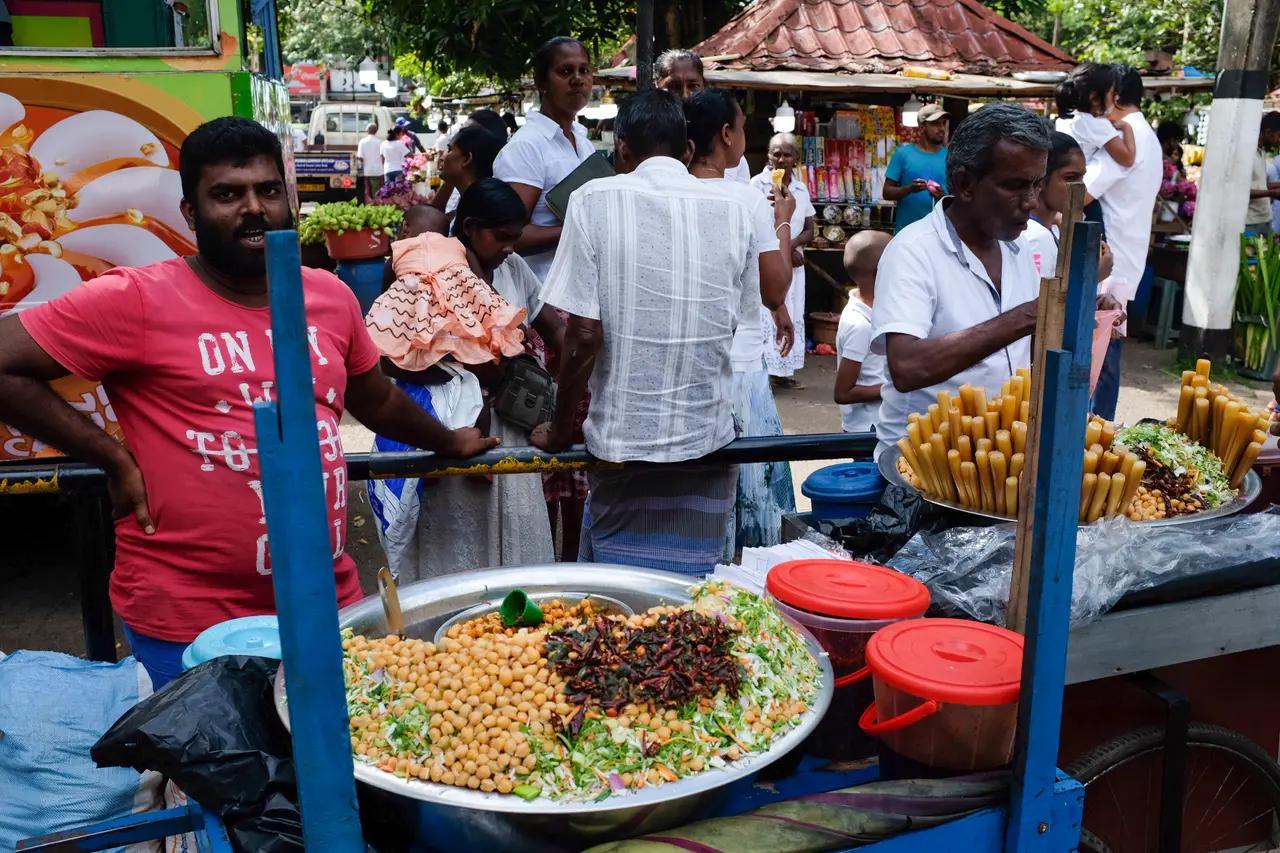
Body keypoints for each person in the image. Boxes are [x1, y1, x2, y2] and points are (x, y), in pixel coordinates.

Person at [0, 117, 495, 688]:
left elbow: (375, 398)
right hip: (186, 615)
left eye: (267, 190)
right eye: (227, 194)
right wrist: (110, 455)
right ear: (190, 213)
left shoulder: (329, 297)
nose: (253, 208)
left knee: (331, 764)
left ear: (289, 199)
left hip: (324, 601)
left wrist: (449, 440)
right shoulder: (134, 299)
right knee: (210, 773)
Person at [530, 89, 761, 576]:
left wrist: (560, 429)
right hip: (707, 438)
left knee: (623, 603)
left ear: (622, 151)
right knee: (693, 600)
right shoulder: (736, 208)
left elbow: (585, 334)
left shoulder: (593, 198)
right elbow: (738, 322)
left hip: (623, 444)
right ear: (687, 151)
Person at [366, 179, 560, 580]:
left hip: (510, 432)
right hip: (449, 431)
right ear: (469, 226)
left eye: (515, 236)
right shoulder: (424, 273)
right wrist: (469, 372)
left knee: (516, 552)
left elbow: (556, 331)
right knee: (457, 553)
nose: (509, 247)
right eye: (502, 237)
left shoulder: (514, 268)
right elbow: (387, 356)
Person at [870, 103, 1048, 457]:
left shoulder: (1022, 248)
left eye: (1037, 184)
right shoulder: (914, 251)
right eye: (1014, 186)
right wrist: (1026, 317)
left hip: (999, 463)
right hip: (922, 468)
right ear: (966, 183)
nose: (1030, 201)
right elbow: (906, 366)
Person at [684, 88, 797, 552]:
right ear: (726, 135)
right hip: (740, 362)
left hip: (689, 364)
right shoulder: (745, 201)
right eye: (744, 129)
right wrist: (783, 221)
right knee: (750, 497)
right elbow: (774, 287)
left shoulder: (672, 195)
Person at [1085, 66, 1162, 420]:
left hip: (1108, 261)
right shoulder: (1148, 136)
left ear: (1113, 96)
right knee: (1105, 348)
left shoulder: (1124, 143)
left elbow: (1082, 193)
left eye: (1097, 97)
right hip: (1123, 256)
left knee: (1100, 353)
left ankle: (1094, 435)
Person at [493, 36, 595, 281]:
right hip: (542, 293)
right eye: (565, 71)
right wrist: (579, 229)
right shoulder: (527, 146)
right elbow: (509, 235)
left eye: (584, 70)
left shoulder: (583, 141)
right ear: (542, 83)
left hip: (582, 287)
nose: (577, 79)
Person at [751, 133, 815, 390]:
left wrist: (793, 245)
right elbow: (755, 226)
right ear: (768, 157)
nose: (780, 159)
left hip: (794, 267)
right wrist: (786, 248)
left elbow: (810, 228)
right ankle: (766, 371)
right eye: (775, 153)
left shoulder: (800, 189)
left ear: (795, 159)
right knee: (768, 315)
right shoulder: (757, 185)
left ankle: (784, 371)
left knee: (793, 312)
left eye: (786, 154)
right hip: (767, 263)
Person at [656, 48, 752, 182]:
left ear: (704, 87)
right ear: (657, 89)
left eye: (693, 86)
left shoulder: (730, 155)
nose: (685, 95)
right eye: (674, 87)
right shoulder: (649, 145)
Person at [835, 231, 891, 434]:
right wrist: (893, 388)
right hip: (867, 430)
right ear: (880, 272)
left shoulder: (872, 310)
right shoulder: (861, 325)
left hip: (879, 423)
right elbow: (843, 392)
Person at [883, 104, 950, 233]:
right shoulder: (903, 154)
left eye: (943, 123)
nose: (942, 128)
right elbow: (887, 192)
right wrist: (909, 189)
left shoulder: (950, 156)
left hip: (940, 233)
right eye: (936, 124)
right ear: (923, 127)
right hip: (906, 233)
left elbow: (959, 197)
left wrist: (943, 197)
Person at [1056, 64, 1136, 170]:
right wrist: (1127, 128)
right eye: (1112, 93)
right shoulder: (1096, 123)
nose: (1116, 97)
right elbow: (1127, 159)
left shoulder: (1070, 118)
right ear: (1095, 98)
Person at [427, 125, 504, 220]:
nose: (442, 157)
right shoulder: (467, 205)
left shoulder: (477, 214)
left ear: (467, 159)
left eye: (450, 150)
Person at [1246, 111, 1280, 237]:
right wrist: (1272, 193)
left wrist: (1275, 186)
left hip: (1265, 219)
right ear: (1267, 132)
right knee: (1251, 257)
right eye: (1278, 136)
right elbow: (1241, 190)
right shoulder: (1248, 154)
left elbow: (1259, 185)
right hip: (1250, 221)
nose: (1278, 141)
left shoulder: (1261, 152)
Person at [1157, 121, 1196, 221]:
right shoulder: (1162, 159)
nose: (1176, 145)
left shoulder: (1156, 153)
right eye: (1177, 140)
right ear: (1171, 139)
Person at [357, 123, 383, 202]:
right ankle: (378, 206)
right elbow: (383, 157)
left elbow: (360, 157)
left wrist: (360, 170)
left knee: (367, 191)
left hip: (367, 171)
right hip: (379, 171)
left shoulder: (362, 142)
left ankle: (369, 206)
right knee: (378, 191)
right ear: (376, 131)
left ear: (367, 130)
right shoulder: (380, 142)